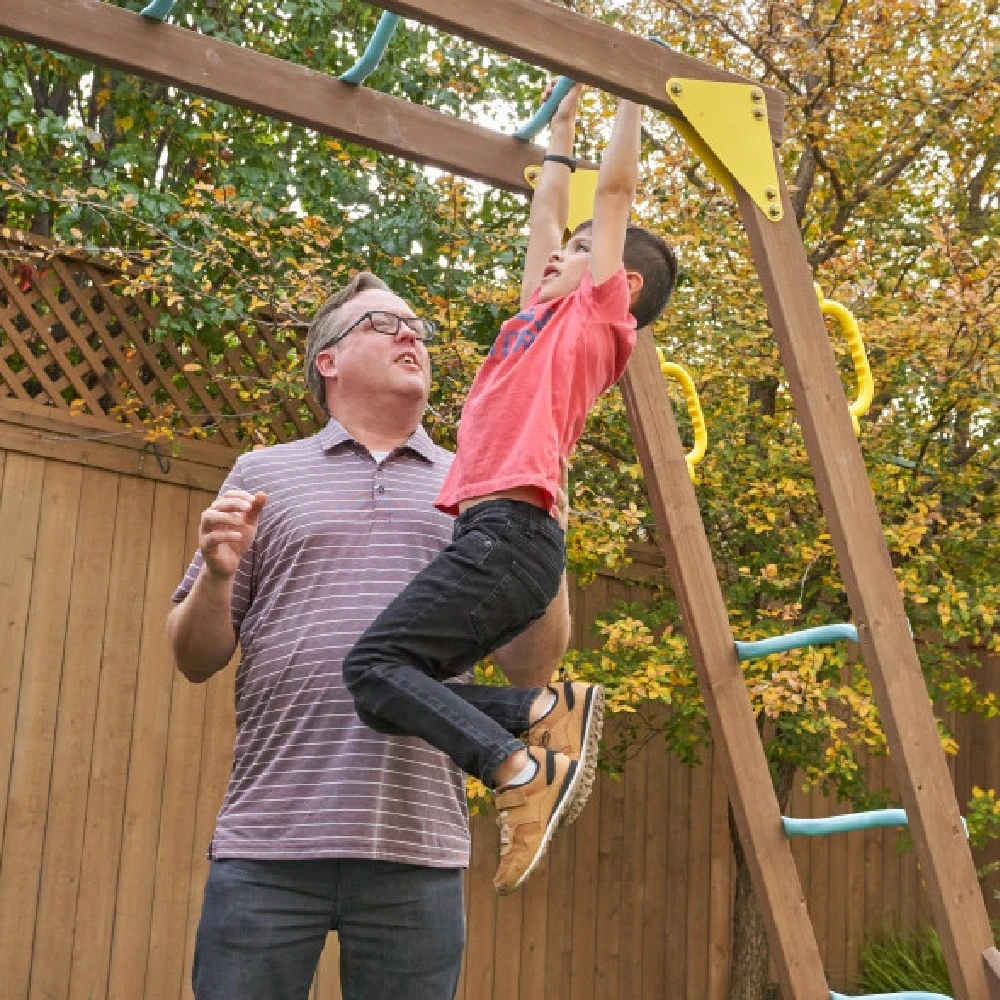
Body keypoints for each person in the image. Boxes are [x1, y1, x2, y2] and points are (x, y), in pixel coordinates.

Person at [167, 281, 572, 996]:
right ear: (328, 360)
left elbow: (529, 666)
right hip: (270, 839)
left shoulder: (477, 484)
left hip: (418, 845)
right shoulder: (264, 472)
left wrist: (547, 538)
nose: (411, 335)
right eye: (385, 323)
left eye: (418, 325)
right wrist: (217, 576)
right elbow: (195, 657)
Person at [342, 84, 678, 895]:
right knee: (391, 686)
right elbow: (544, 217)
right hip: (495, 541)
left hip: (514, 534)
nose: (559, 252)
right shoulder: (534, 318)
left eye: (582, 250)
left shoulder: (600, 323)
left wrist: (628, 88)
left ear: (617, 280)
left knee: (374, 666)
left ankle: (518, 764)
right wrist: (559, 133)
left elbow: (617, 194)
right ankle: (533, 719)